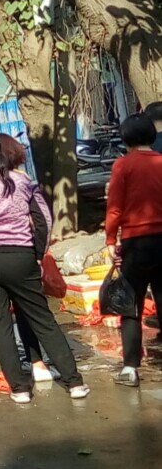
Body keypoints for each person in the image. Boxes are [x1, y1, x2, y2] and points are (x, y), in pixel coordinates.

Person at [0, 132, 89, 404]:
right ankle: (74, 383)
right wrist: (37, 254)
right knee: (43, 319)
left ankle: (20, 389)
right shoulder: (23, 182)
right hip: (22, 257)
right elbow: (44, 220)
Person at [103, 113, 162, 388]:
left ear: (125, 138)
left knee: (131, 303)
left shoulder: (123, 165)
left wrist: (110, 240)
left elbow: (114, 207)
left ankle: (130, 368)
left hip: (135, 243)